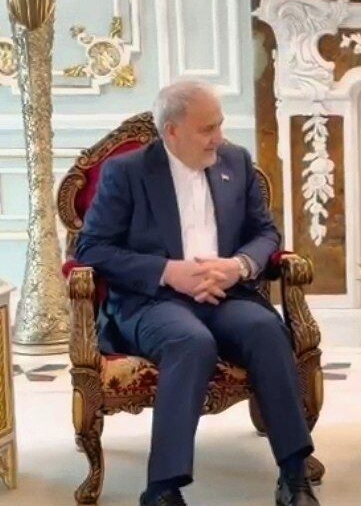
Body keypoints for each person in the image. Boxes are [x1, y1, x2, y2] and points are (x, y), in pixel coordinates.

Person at [76, 80, 320, 506]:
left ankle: (294, 474)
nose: (218, 137)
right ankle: (162, 489)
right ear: (171, 131)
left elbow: (265, 233)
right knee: (190, 341)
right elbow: (92, 248)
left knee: (266, 330)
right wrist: (169, 272)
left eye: (220, 125)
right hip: (153, 301)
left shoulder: (235, 161)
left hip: (226, 293)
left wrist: (237, 266)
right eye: (207, 129)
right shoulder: (127, 173)